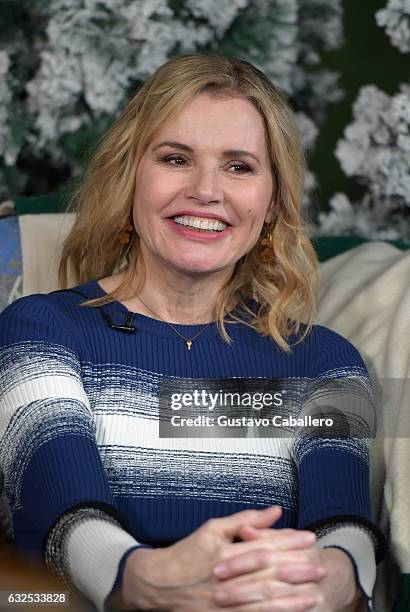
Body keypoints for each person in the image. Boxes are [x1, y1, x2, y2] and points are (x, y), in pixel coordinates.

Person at [0, 54, 385, 612]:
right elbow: (66, 522)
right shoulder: (40, 330)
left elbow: (345, 530)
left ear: (272, 203)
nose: (206, 191)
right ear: (131, 176)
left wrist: (326, 581)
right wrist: (143, 580)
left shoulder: (322, 362)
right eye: (176, 158)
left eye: (238, 166)